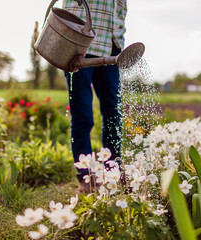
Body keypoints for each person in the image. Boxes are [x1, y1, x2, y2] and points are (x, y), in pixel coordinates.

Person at [62, 0, 127, 191]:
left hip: (113, 43)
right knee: (82, 114)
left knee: (113, 113)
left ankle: (113, 170)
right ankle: (86, 176)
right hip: (79, 41)